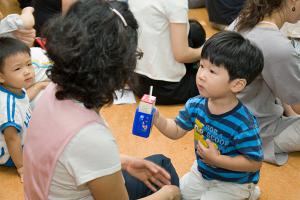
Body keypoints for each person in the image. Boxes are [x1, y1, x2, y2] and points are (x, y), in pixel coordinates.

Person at [23, 1, 180, 199]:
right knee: (166, 179)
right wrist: (168, 195)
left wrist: (124, 162)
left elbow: (69, 160)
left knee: (159, 166)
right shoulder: (91, 137)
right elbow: (86, 149)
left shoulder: (51, 92)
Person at [154, 31, 264, 200]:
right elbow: (176, 130)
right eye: (202, 66)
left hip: (234, 183)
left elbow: (254, 162)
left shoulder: (244, 124)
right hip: (202, 172)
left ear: (236, 84)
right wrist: (157, 117)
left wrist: (218, 160)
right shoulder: (195, 104)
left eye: (212, 71)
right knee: (179, 193)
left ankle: (249, 192)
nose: (201, 76)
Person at [228, 0, 300, 166]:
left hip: (223, 122)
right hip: (253, 133)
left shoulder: (240, 22)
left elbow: (281, 85)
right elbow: (298, 105)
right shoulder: (278, 47)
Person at [128, 0, 205, 105]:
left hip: (136, 80)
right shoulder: (176, 2)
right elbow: (182, 55)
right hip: (167, 89)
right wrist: (207, 50)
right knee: (219, 80)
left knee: (195, 30)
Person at [0, 37, 34, 182]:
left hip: (24, 139)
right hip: (10, 154)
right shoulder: (7, 106)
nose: (27, 71)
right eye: (18, 68)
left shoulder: (17, 88)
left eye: (29, 64)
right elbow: (11, 138)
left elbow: (24, 104)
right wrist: (21, 167)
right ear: (1, 77)